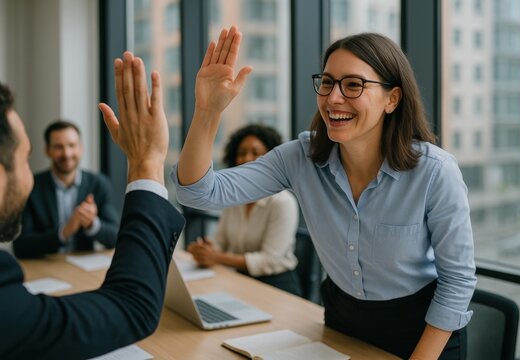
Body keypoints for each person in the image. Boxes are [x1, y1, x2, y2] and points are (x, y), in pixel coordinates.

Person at [173, 26, 476, 360]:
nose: (333, 98)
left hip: (423, 333)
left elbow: (457, 281)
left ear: (392, 99)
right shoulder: (299, 158)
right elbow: (197, 193)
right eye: (328, 82)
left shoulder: (435, 171)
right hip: (342, 319)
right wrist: (208, 112)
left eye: (353, 85)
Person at [0, 51, 185, 359]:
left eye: (72, 146)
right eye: (24, 158)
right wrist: (147, 162)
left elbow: (112, 232)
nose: (28, 177)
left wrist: (94, 225)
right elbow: (132, 307)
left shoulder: (96, 183)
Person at [187, 124, 301, 296]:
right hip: (239, 280)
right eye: (241, 153)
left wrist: (217, 257)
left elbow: (269, 261)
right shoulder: (234, 197)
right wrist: (206, 249)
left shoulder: (283, 202)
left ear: (271, 159)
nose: (247, 158)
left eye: (256, 153)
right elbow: (221, 241)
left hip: (277, 286)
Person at [13, 120, 119, 258]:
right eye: (58, 147)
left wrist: (92, 224)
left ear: (80, 148)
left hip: (81, 268)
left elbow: (116, 237)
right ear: (47, 150)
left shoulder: (99, 184)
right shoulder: (31, 186)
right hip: (44, 268)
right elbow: (21, 247)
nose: (67, 153)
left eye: (72, 145)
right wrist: (64, 232)